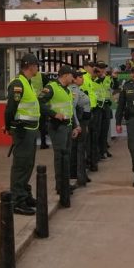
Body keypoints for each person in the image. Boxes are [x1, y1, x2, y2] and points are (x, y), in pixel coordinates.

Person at [3, 53, 42, 215]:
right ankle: (17, 201)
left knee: (28, 165)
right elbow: (10, 109)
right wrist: (10, 126)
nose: (38, 68)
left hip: (30, 130)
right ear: (31, 66)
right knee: (20, 166)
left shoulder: (28, 83)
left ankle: (25, 195)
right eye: (36, 66)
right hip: (22, 131)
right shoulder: (18, 84)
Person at [38, 65, 81, 194]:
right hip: (57, 127)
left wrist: (74, 126)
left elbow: (69, 110)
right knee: (60, 156)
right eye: (71, 75)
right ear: (65, 75)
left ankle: (65, 184)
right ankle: (60, 186)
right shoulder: (51, 87)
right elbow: (39, 103)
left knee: (66, 156)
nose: (73, 78)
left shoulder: (67, 90)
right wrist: (53, 114)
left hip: (67, 127)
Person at [70, 68, 92, 187]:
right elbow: (72, 108)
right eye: (80, 77)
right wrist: (77, 124)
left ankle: (81, 174)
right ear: (73, 79)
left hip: (84, 121)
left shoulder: (78, 89)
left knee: (81, 149)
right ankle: (79, 175)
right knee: (79, 150)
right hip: (80, 122)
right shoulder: (74, 90)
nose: (82, 79)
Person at [81, 61, 100, 171]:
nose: (93, 68)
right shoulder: (83, 77)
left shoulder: (88, 78)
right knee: (88, 139)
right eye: (92, 66)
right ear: (86, 67)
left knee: (93, 137)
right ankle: (89, 162)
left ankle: (92, 161)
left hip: (92, 110)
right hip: (86, 113)